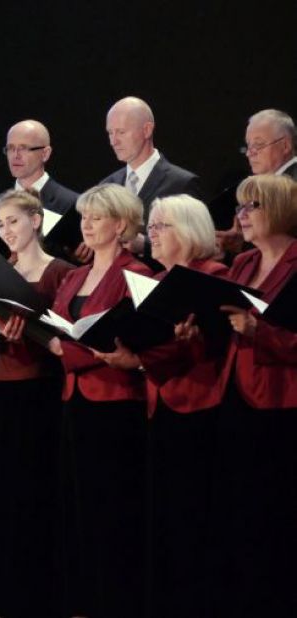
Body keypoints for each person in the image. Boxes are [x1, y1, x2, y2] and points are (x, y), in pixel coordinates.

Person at [89, 195, 227, 618]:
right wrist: (134, 353)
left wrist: (142, 358)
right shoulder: (158, 281)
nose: (153, 234)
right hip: (159, 400)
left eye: (162, 226)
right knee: (163, 514)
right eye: (151, 227)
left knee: (192, 515)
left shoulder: (212, 275)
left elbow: (211, 346)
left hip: (200, 402)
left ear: (188, 229)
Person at [0, 190, 74, 618]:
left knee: (32, 495)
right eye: (1, 224)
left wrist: (30, 333)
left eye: (14, 221)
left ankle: (32, 597)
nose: (6, 231)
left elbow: (65, 337)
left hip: (38, 391)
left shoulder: (60, 271)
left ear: (36, 221)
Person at [47, 184, 152, 617]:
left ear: (121, 224)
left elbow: (127, 340)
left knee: (112, 508)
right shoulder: (74, 275)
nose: (86, 225)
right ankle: (83, 602)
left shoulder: (137, 274)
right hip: (74, 399)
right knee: (78, 506)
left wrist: (66, 351)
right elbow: (57, 326)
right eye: (84, 217)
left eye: (96, 217)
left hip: (115, 402)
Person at [213, 174, 297, 615]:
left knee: (277, 511)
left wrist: (258, 331)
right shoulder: (243, 262)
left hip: (282, 402)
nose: (241, 216)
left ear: (280, 211)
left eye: (251, 207)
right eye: (239, 207)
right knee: (239, 508)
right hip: (235, 392)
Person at [100, 96, 203, 254]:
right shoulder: (106, 186)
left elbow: (195, 243)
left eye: (121, 132)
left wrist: (146, 245)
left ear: (147, 130)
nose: (113, 141)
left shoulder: (182, 184)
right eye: (110, 133)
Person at [0, 120, 80, 246]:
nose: (15, 155)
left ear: (45, 154)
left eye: (23, 148)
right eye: (10, 148)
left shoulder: (72, 204)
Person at [217, 109, 297, 255]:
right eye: (248, 146)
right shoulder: (262, 185)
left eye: (258, 145)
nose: (249, 153)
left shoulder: (292, 185)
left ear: (285, 146)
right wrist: (244, 242)